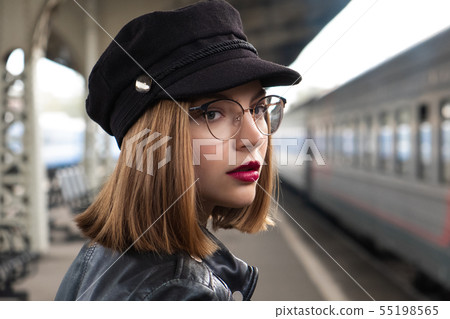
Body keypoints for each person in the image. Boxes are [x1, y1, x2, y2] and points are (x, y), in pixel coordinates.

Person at [55, 0, 300, 301]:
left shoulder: (101, 254)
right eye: (212, 113)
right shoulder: (182, 292)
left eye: (259, 108)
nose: (253, 136)